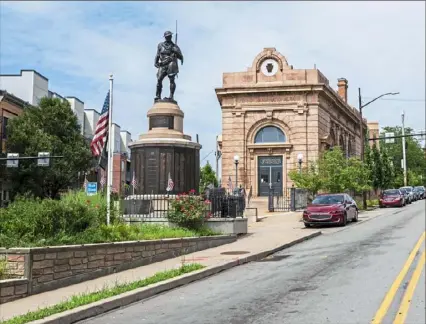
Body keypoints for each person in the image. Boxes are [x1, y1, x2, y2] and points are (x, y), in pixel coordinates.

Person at [154, 31, 184, 101]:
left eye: (169, 36)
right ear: (165, 37)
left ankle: (171, 96)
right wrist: (155, 62)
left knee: (172, 79)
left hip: (171, 63)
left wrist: (176, 52)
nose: (168, 37)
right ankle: (158, 96)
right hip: (162, 64)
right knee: (159, 79)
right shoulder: (160, 45)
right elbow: (158, 54)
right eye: (167, 36)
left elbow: (181, 57)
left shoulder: (174, 46)